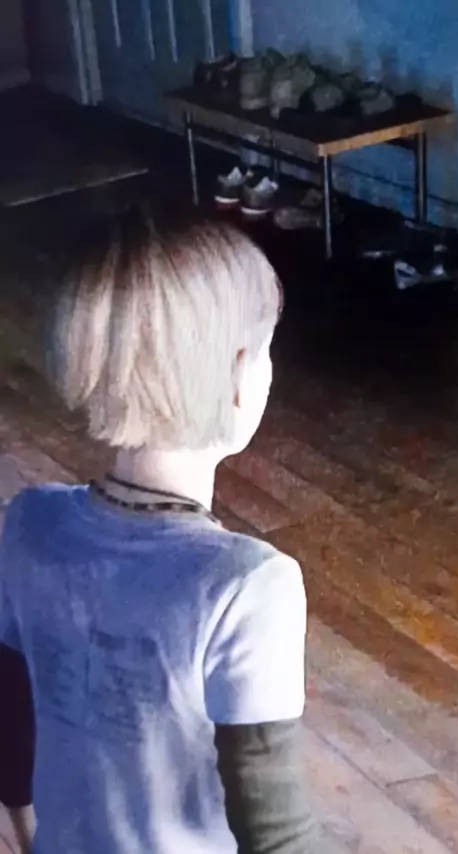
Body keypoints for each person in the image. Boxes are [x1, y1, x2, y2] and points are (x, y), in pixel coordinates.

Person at [0, 208, 319, 853]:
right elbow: (278, 834)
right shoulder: (249, 585)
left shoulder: (28, 523)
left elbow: (10, 718)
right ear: (239, 376)